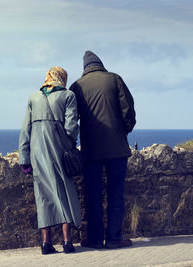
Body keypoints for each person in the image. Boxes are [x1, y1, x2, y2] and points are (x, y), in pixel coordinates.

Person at [69, 51, 136, 249]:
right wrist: (124, 131)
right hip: (117, 148)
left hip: (91, 150)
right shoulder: (114, 79)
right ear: (100, 64)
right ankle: (115, 238)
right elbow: (128, 110)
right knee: (116, 194)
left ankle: (96, 239)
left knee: (93, 196)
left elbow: (72, 119)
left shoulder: (77, 86)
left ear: (85, 67)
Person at [18, 66, 82, 255]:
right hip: (59, 152)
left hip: (37, 156)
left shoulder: (34, 98)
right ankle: (67, 242)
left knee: (43, 197)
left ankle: (46, 243)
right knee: (64, 192)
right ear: (62, 78)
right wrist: (71, 143)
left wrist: (24, 157)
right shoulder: (68, 95)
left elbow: (25, 130)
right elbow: (71, 127)